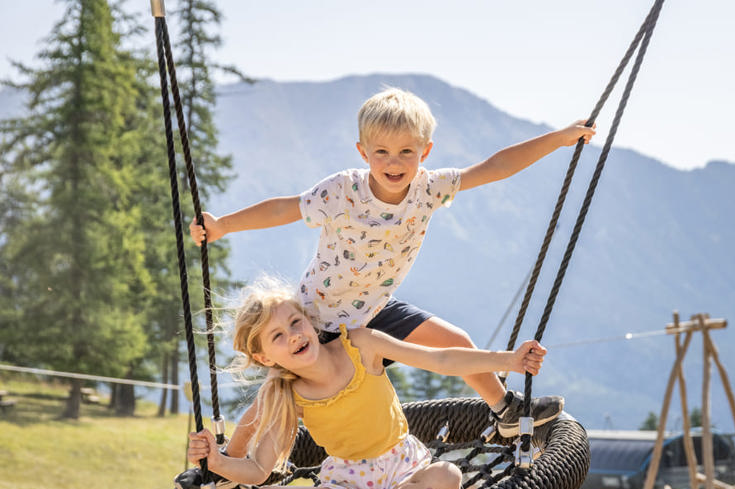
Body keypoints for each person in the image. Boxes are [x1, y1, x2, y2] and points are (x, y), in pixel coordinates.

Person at [189, 87, 594, 441]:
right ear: (363, 152)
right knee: (276, 395)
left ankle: (506, 410)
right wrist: (223, 225)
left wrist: (559, 139)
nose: (393, 162)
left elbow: (496, 167)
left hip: (376, 307)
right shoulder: (342, 190)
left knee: (457, 341)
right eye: (380, 152)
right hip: (321, 318)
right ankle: (231, 462)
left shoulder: (429, 188)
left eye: (406, 152)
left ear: (425, 152)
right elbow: (284, 209)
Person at [186, 278, 549, 489]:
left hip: (405, 471)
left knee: (449, 476)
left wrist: (507, 361)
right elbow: (258, 469)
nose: (294, 335)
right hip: (347, 488)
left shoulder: (359, 346)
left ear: (310, 322)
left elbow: (440, 360)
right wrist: (216, 463)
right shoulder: (285, 396)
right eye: (278, 336)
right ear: (264, 357)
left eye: (295, 322)